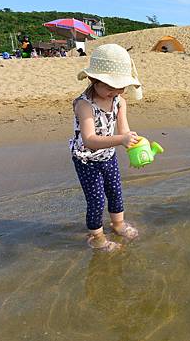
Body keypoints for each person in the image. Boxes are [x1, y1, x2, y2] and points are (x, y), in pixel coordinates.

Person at [71, 44, 143, 250]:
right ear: (93, 81)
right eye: (110, 87)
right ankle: (97, 237)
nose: (115, 92)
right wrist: (121, 140)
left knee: (115, 191)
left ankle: (118, 224)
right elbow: (89, 140)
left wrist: (135, 147)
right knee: (96, 199)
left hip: (108, 155)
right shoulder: (84, 105)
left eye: (119, 88)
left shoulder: (119, 102)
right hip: (86, 159)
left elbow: (124, 130)